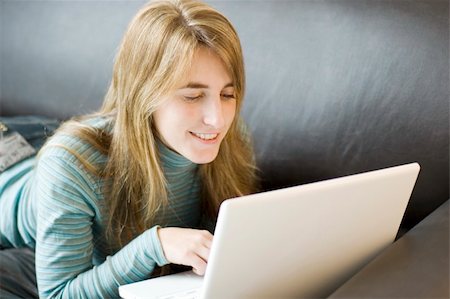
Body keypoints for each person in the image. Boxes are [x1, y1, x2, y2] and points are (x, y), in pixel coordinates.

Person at [0, 0, 258, 297]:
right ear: (142, 95)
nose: (217, 119)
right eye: (192, 96)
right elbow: (58, 293)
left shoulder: (231, 136)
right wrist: (154, 246)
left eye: (228, 94)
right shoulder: (69, 165)